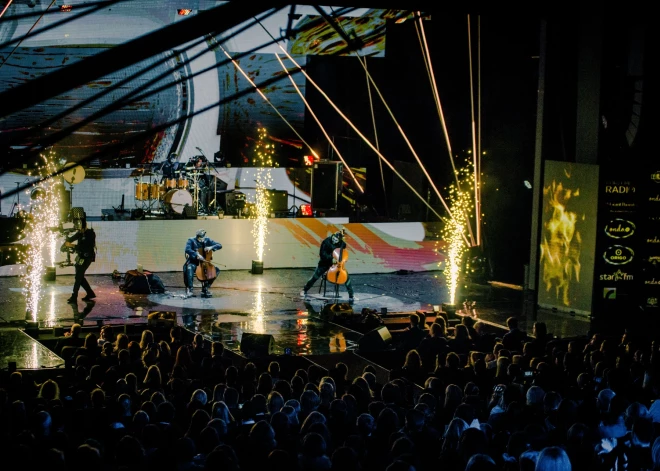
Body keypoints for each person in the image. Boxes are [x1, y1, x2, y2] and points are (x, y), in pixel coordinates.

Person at [301, 230, 354, 301]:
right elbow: (322, 254)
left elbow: (342, 250)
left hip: (336, 265)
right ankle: (304, 290)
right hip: (324, 263)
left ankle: (351, 295)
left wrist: (343, 243)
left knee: (346, 277)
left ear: (339, 240)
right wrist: (331, 258)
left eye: (336, 240)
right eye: (333, 238)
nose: (334, 240)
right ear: (332, 236)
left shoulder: (341, 243)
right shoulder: (326, 242)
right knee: (315, 277)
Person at [64, 216, 96, 303]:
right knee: (79, 277)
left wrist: (72, 245)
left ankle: (74, 297)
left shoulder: (90, 234)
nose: (79, 230)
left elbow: (85, 247)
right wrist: (66, 240)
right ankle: (90, 293)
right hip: (80, 257)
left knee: (78, 277)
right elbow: (71, 239)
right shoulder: (80, 233)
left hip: (87, 257)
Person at [184, 229, 222, 298]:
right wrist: (196, 255)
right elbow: (187, 249)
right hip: (194, 262)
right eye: (200, 239)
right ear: (197, 237)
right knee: (189, 268)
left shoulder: (207, 240)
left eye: (203, 238)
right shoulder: (191, 240)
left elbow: (219, 245)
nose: (202, 240)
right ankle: (190, 289)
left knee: (216, 270)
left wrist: (211, 247)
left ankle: (205, 288)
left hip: (205, 262)